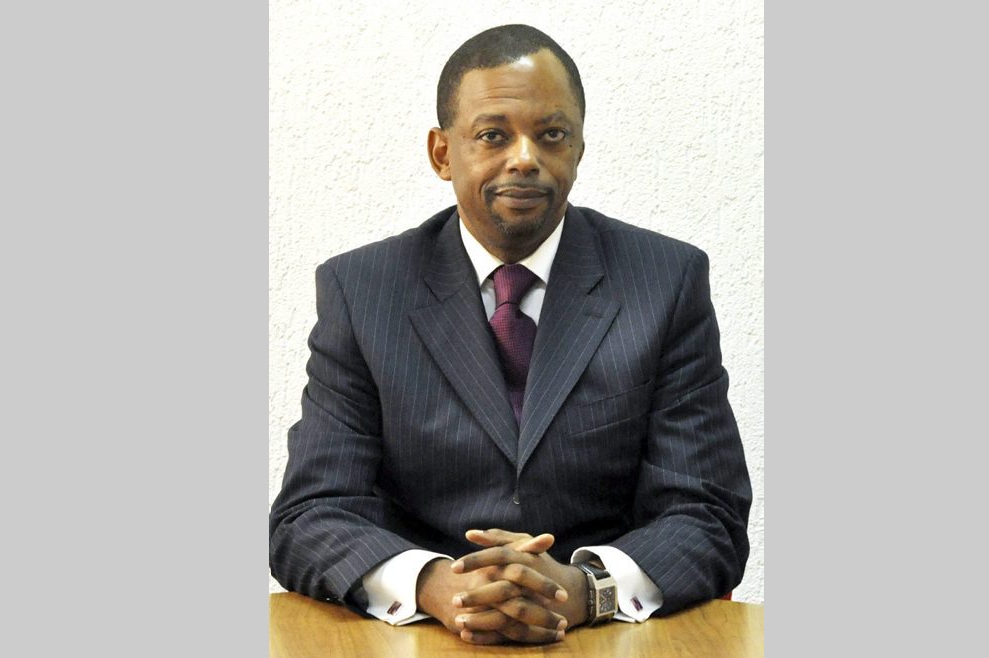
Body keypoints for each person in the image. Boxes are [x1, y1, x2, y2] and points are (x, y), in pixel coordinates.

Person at [269, 24, 752, 645]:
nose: (524, 158)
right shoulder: (363, 290)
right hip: (419, 636)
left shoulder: (664, 282)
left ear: (578, 148)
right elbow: (310, 513)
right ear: (442, 153)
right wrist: (435, 584)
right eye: (493, 135)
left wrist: (584, 589)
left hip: (602, 637)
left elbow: (707, 514)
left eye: (551, 134)